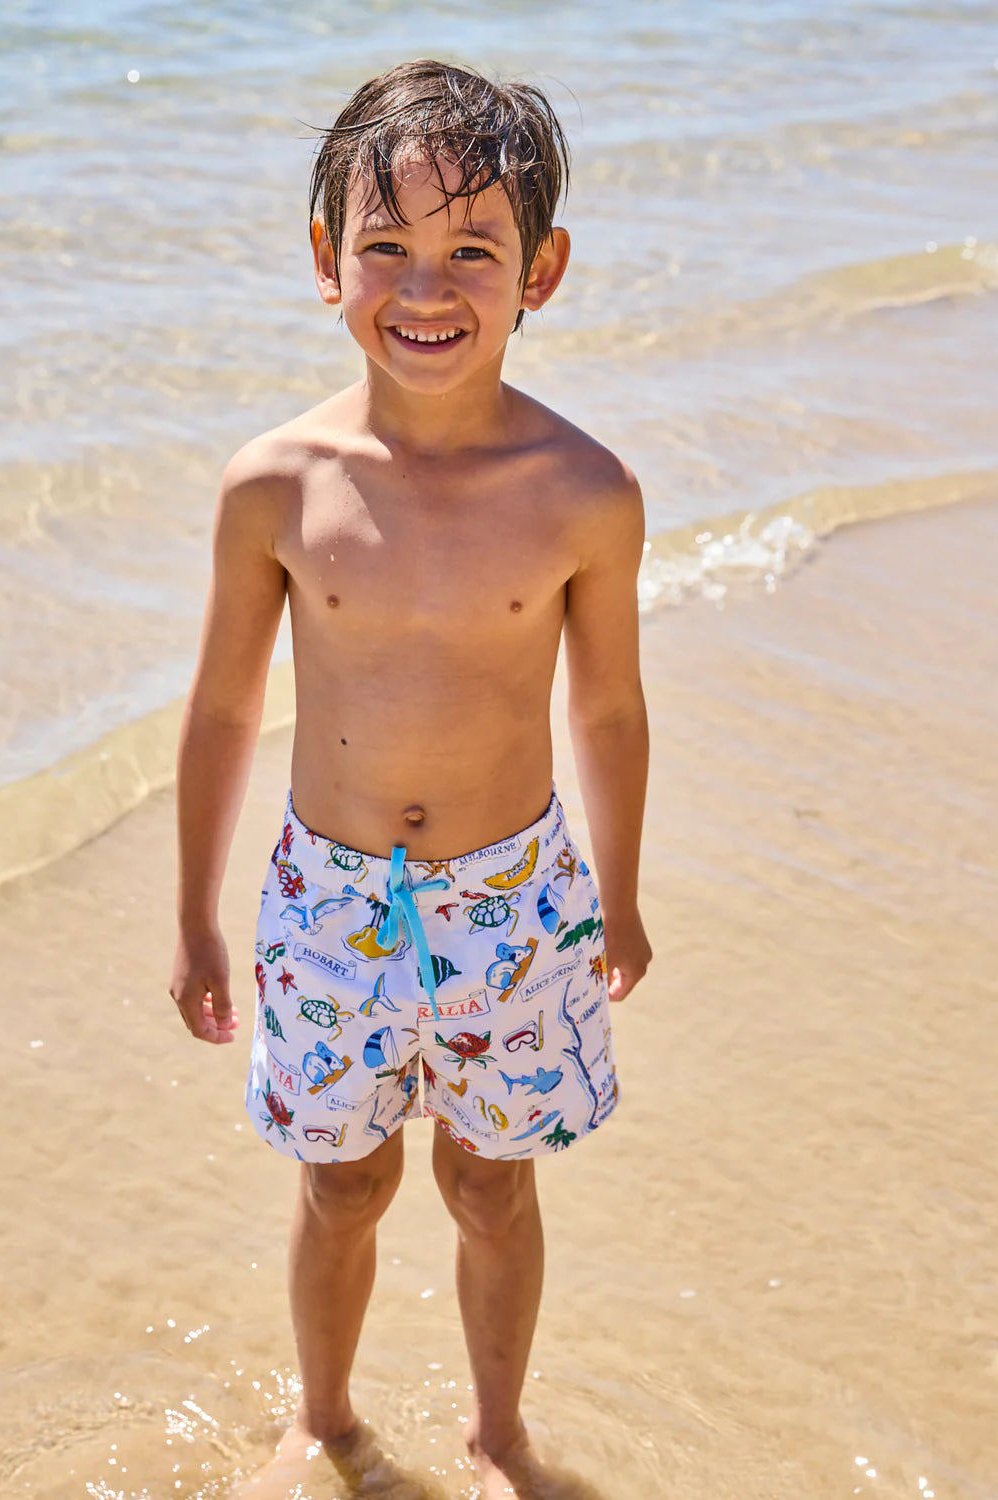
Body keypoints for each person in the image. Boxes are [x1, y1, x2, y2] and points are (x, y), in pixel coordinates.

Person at [169, 57, 651, 1497]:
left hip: (518, 896)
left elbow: (609, 707)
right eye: (386, 245)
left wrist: (619, 897)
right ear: (327, 259)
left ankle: (498, 1435)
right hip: (330, 898)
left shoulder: (584, 492)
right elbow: (223, 707)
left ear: (540, 270)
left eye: (472, 251)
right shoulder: (277, 483)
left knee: (492, 1185)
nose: (425, 287)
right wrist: (195, 915)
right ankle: (323, 1420)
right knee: (344, 1182)